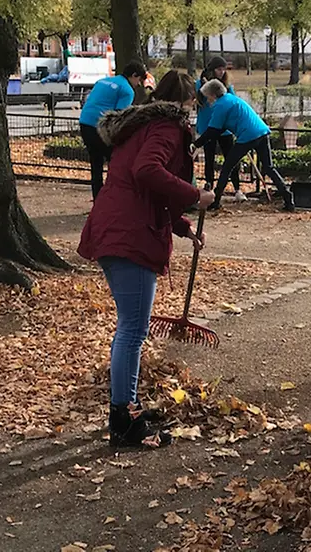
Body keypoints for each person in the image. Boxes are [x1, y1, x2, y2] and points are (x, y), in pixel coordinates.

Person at [78, 70, 215, 449]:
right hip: (128, 235)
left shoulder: (141, 126)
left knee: (131, 328)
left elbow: (148, 186)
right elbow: (147, 172)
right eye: (192, 106)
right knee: (133, 330)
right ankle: (124, 418)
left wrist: (182, 226)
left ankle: (129, 406)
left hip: (118, 227)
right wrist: (193, 193)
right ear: (185, 104)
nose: (192, 114)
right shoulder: (167, 128)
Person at [194, 79, 294, 212]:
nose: (208, 100)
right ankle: (288, 197)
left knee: (227, 167)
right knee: (269, 167)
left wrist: (196, 144)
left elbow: (213, 131)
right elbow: (221, 127)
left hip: (248, 136)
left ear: (212, 95)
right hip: (262, 131)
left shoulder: (220, 105)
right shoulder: (231, 98)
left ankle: (216, 201)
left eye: (207, 97)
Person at [78, 60, 148, 200]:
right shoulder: (127, 90)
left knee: (96, 164)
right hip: (101, 128)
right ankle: (114, 198)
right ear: (134, 75)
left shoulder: (102, 81)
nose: (138, 84)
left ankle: (98, 200)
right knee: (117, 162)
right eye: (139, 80)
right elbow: (119, 117)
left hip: (85, 123)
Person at [196, 57, 243, 201]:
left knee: (231, 157)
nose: (222, 72)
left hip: (225, 128)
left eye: (224, 69)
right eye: (219, 69)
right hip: (208, 126)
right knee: (209, 158)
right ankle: (210, 186)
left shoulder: (227, 86)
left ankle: (237, 188)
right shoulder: (199, 84)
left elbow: (233, 101)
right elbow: (198, 101)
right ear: (212, 69)